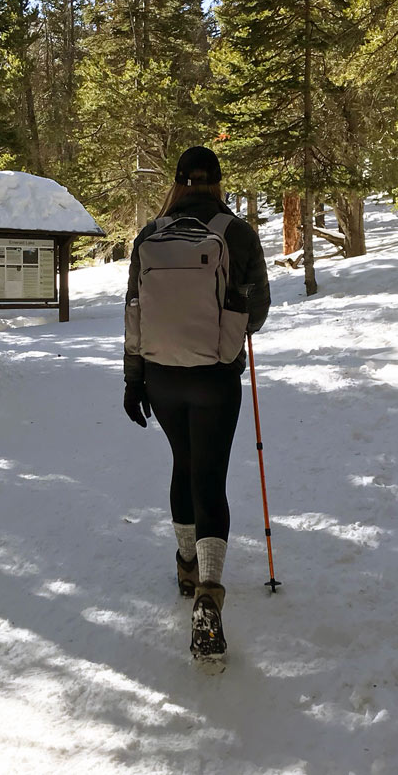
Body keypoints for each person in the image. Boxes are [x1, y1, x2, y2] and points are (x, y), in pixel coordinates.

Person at [122, 146, 271, 658]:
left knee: (182, 464)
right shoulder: (237, 233)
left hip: (162, 376)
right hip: (215, 376)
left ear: (180, 182)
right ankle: (209, 590)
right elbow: (258, 311)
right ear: (218, 182)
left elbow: (134, 311)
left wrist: (132, 379)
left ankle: (186, 567)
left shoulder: (150, 235)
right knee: (210, 476)